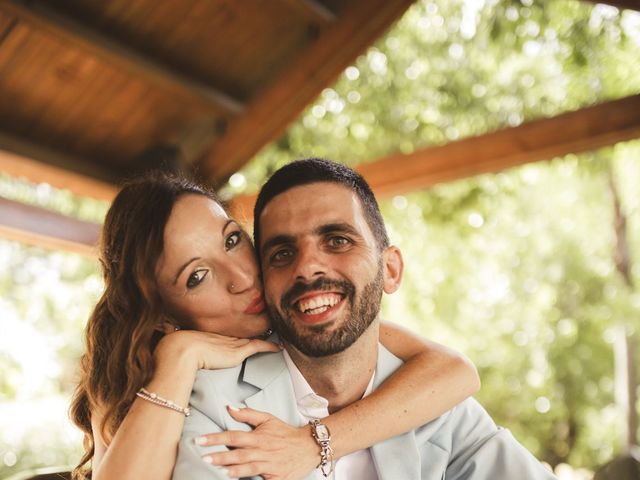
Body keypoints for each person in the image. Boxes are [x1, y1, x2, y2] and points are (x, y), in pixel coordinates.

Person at [69, 171, 481, 480]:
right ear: (162, 313)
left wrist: (314, 443)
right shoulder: (142, 373)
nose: (243, 277)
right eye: (198, 276)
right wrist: (180, 355)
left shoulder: (305, 319)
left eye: (232, 240)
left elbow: (455, 372)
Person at [172, 158, 558, 479]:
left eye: (337, 241)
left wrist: (315, 443)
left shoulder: (439, 404)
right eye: (282, 253)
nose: (307, 268)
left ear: (390, 270)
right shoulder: (217, 404)